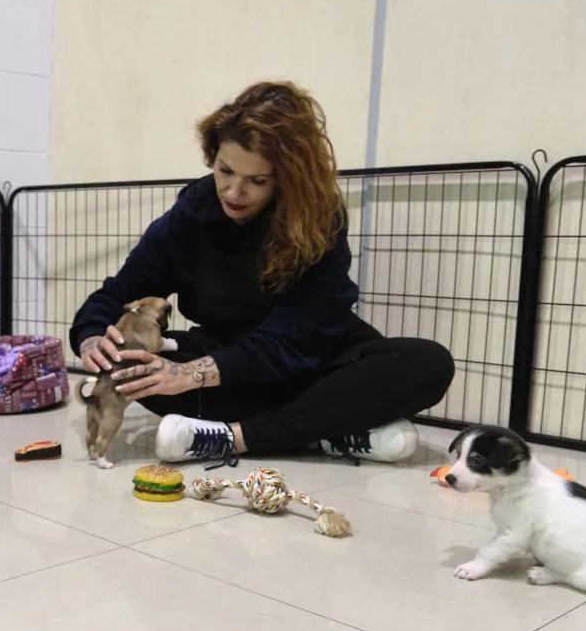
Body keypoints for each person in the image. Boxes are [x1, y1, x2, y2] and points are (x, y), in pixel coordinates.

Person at [69, 81, 455, 467]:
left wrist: (191, 376)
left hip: (313, 360)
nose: (234, 192)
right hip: (231, 365)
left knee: (428, 364)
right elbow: (116, 295)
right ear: (213, 157)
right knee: (139, 369)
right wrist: (91, 338)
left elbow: (296, 337)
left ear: (288, 179)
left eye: (257, 181)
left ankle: (233, 438)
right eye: (225, 171)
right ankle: (328, 431)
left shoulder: (319, 220)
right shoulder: (191, 216)